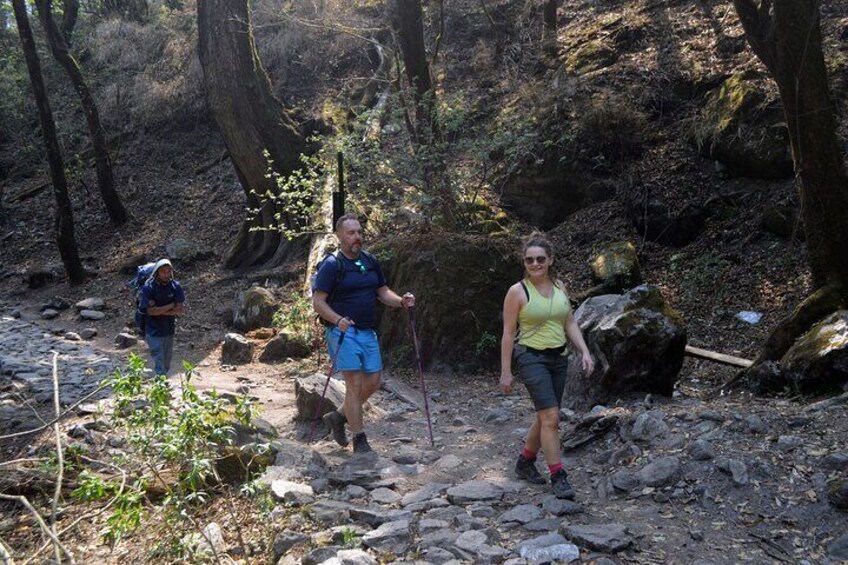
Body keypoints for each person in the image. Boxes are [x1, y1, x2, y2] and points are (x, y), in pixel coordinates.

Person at [500, 232, 594, 499]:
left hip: (559, 358)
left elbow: (569, 322)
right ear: (524, 262)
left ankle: (525, 461)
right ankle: (558, 475)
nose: (535, 264)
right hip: (531, 357)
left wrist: (584, 351)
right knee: (552, 418)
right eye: (530, 260)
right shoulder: (517, 292)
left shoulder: (560, 287)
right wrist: (506, 372)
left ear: (550, 260)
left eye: (540, 259)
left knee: (545, 416)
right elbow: (508, 333)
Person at [312, 213, 415, 454]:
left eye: (359, 232)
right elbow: (318, 302)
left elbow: (383, 292)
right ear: (339, 237)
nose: (357, 237)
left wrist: (402, 301)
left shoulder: (370, 261)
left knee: (374, 381)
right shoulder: (331, 265)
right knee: (354, 386)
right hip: (343, 333)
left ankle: (338, 417)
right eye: (351, 233)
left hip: (368, 332)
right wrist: (337, 320)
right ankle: (359, 439)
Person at [139, 258, 185, 376]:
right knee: (159, 361)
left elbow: (179, 309)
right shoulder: (148, 288)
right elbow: (151, 312)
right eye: (163, 272)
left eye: (168, 271)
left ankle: (161, 385)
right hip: (153, 331)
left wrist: (161, 310)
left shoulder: (175, 286)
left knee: (166, 363)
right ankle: (161, 389)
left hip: (168, 330)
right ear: (157, 273)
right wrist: (170, 305)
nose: (166, 274)